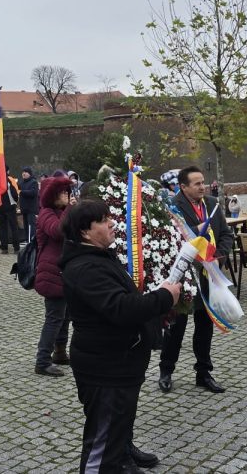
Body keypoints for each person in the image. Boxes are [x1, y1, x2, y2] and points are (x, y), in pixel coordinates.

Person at [60, 199, 181, 474]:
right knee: (101, 446)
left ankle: (121, 460)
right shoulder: (85, 268)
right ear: (85, 231)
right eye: (103, 220)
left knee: (116, 433)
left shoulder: (99, 257)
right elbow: (121, 308)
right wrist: (164, 297)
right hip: (105, 369)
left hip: (119, 363)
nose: (112, 223)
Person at [159, 165, 233, 395]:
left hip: (208, 274)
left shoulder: (211, 204)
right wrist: (194, 228)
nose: (203, 187)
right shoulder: (173, 207)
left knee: (204, 327)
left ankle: (203, 373)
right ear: (183, 187)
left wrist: (218, 258)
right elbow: (169, 238)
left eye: (203, 182)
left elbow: (226, 235)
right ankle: (166, 371)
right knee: (176, 327)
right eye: (197, 183)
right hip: (184, 278)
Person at [33, 175, 74, 377]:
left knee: (65, 316)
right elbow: (58, 231)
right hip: (51, 272)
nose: (66, 195)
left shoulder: (61, 211)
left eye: (67, 191)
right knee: (54, 318)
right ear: (52, 195)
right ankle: (42, 361)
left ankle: (59, 352)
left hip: (63, 271)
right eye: (62, 192)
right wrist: (69, 209)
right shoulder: (46, 213)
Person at [0, 166, 21, 255]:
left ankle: (4, 248)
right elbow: (15, 193)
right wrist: (15, 203)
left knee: (2, 228)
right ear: (7, 171)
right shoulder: (9, 180)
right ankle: (16, 248)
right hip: (10, 207)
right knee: (14, 227)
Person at [18, 167, 40, 248]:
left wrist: (21, 192)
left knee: (31, 225)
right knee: (26, 225)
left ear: (29, 173)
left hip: (31, 208)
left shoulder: (34, 182)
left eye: (26, 172)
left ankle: (32, 241)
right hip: (24, 208)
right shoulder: (21, 183)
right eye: (23, 172)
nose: (23, 173)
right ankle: (27, 240)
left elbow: (33, 193)